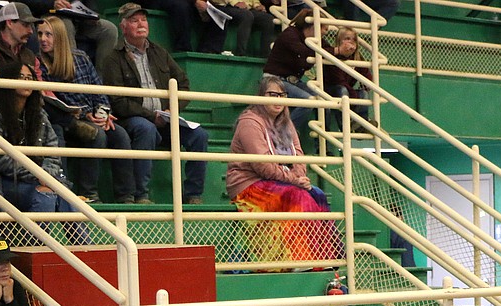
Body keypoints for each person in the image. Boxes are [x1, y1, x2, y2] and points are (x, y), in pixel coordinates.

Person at [101, 2, 209, 205]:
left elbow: (184, 84)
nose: (141, 24)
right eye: (134, 21)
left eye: (143, 19)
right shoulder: (113, 58)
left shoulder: (160, 52)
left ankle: (194, 194)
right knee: (146, 128)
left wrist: (171, 110)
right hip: (133, 119)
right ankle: (141, 194)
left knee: (199, 135)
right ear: (123, 27)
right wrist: (152, 116)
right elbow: (117, 101)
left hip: (166, 116)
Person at [227, 75, 338, 267]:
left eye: (282, 95)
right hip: (250, 184)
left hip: (283, 180)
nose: (278, 100)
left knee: (317, 194)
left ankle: (325, 258)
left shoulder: (287, 123)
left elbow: (299, 155)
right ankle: (301, 260)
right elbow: (263, 166)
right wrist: (295, 180)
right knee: (297, 196)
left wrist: (301, 175)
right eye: (273, 94)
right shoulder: (249, 122)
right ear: (261, 96)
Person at [36, 15, 134, 204]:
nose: (43, 39)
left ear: (60, 37)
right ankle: (89, 193)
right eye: (40, 34)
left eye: (48, 34)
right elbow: (54, 101)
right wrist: (84, 115)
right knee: (97, 135)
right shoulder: (39, 64)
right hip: (66, 119)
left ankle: (127, 196)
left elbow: (98, 90)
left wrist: (103, 113)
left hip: (92, 116)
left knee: (120, 135)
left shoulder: (80, 58)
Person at [0, 59, 76, 216]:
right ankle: (38, 242)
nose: (26, 81)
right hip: (6, 181)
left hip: (40, 179)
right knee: (46, 194)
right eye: (20, 77)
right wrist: (37, 174)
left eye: (29, 78)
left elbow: (53, 151)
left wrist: (46, 175)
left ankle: (86, 242)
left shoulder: (39, 114)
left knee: (67, 195)